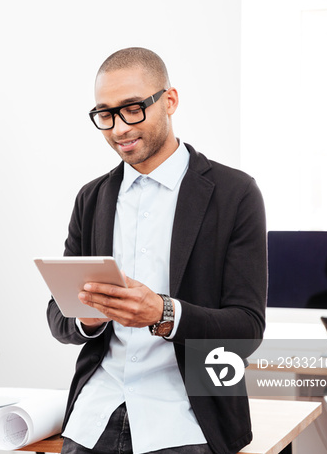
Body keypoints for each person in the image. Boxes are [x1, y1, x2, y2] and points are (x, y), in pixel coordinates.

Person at [46, 47, 267, 454]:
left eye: (132, 109)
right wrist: (89, 320)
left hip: (186, 419)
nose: (118, 129)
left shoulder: (234, 194)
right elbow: (58, 317)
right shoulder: (91, 199)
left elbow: (247, 328)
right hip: (96, 411)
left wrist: (165, 314)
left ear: (170, 101)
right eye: (105, 114)